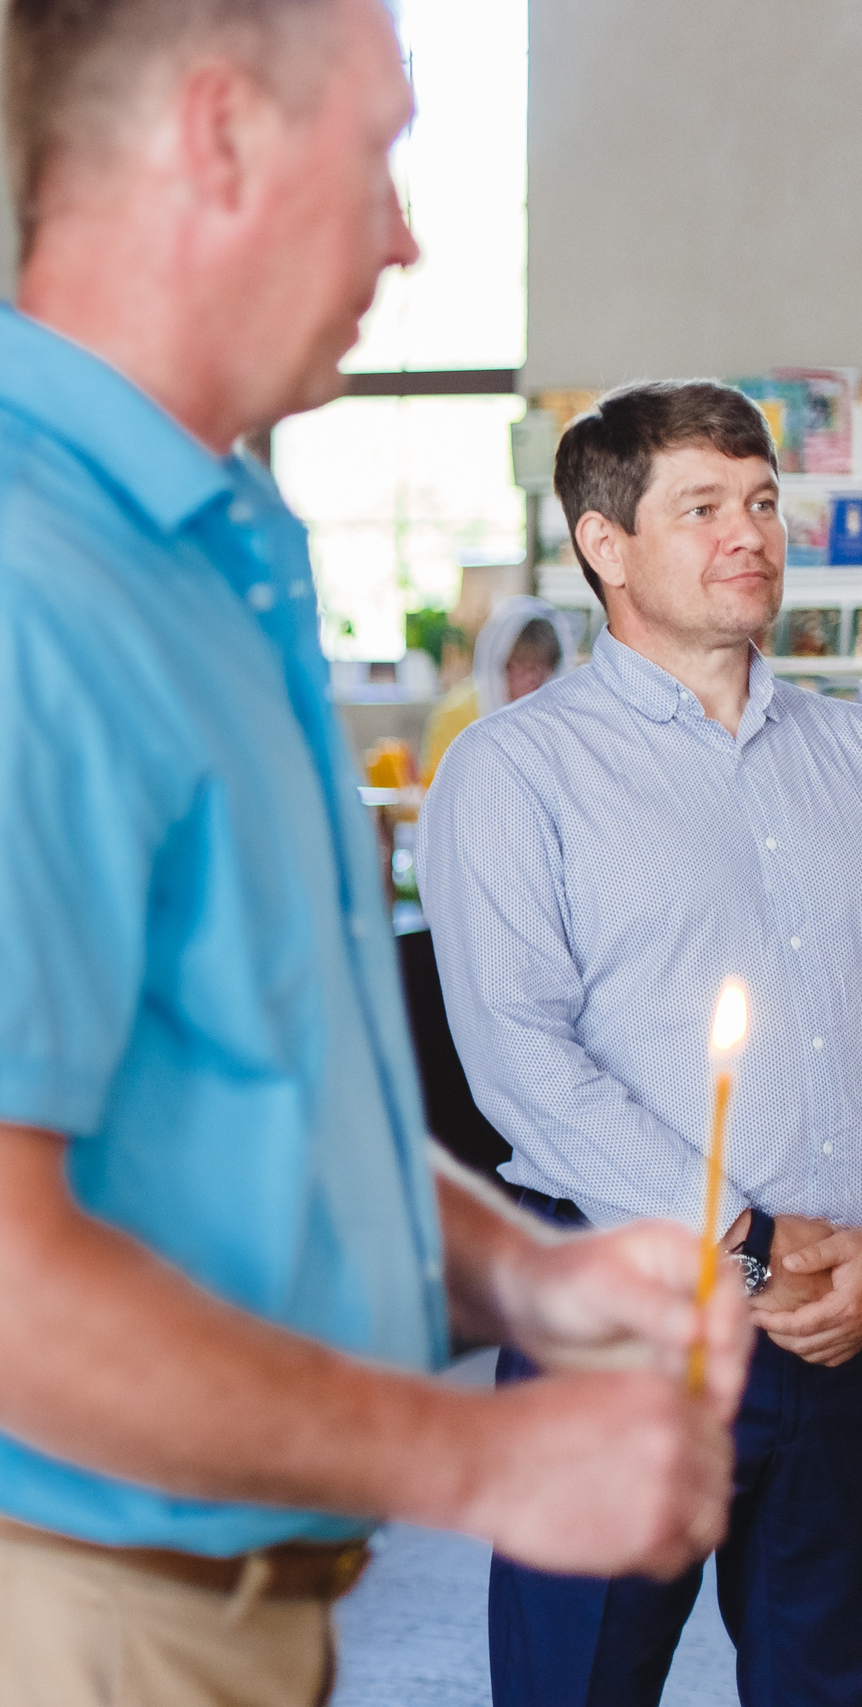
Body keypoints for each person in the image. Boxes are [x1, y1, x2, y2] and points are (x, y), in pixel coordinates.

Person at [0, 3, 753, 1703]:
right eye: (384, 150)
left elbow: (262, 1085)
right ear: (219, 132)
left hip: (170, 1598)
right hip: (7, 1621)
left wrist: (530, 1277)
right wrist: (481, 1462)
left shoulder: (195, 550)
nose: (408, 232)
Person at [421, 380, 862, 1706]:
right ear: (606, 544)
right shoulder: (514, 772)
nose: (754, 534)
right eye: (706, 506)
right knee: (577, 1685)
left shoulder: (845, 751)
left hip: (838, 1327)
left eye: (766, 502)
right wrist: (746, 1233)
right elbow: (522, 1061)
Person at [419, 594, 580, 780]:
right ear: (500, 664)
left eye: (544, 668)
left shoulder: (558, 725)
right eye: (524, 665)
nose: (533, 679)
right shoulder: (456, 716)